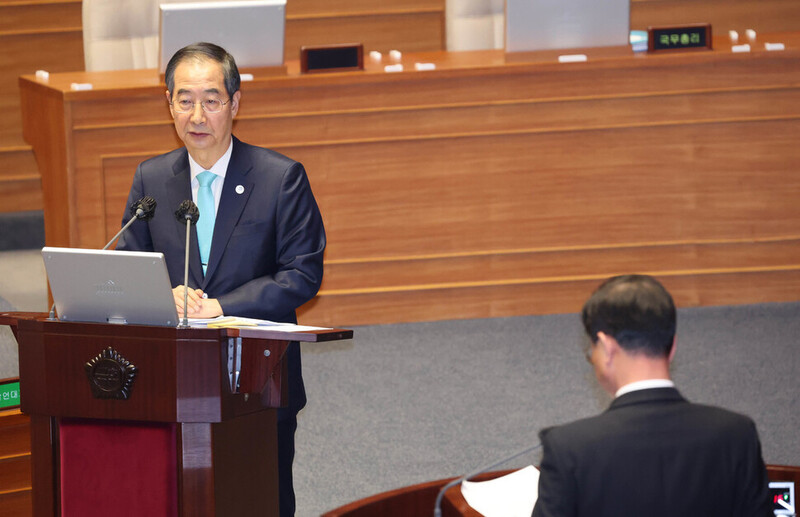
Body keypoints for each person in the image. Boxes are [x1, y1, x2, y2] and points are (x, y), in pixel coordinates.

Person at [116, 42, 325, 517]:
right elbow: (130, 265)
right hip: (172, 375)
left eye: (211, 100)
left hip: (258, 376)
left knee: (262, 497)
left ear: (235, 103)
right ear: (168, 103)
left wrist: (221, 305)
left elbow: (302, 274)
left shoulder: (280, 178)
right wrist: (160, 295)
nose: (197, 115)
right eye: (184, 100)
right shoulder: (151, 180)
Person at [532, 274, 772, 517]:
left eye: (591, 350)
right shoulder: (737, 435)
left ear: (606, 348)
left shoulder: (568, 449)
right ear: (673, 346)